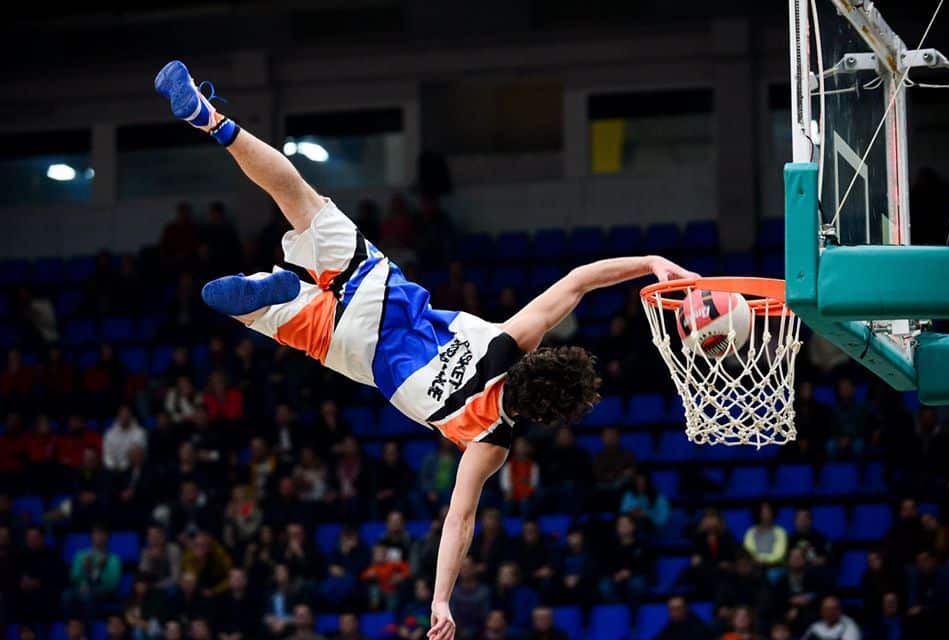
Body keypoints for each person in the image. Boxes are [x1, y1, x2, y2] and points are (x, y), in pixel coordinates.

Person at [154, 59, 697, 640]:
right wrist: (441, 600)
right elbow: (459, 521)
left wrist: (650, 264)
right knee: (232, 304)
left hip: (380, 287)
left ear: (542, 359)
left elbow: (581, 279)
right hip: (348, 345)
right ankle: (272, 297)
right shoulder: (490, 442)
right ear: (543, 415)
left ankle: (211, 121)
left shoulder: (511, 339)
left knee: (298, 194)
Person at [62, 525, 122, 618]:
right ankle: (71, 626)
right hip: (81, 589)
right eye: (95, 533)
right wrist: (86, 569)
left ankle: (88, 627)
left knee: (86, 596)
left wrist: (97, 570)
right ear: (91, 536)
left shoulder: (114, 559)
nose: (98, 536)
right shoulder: (81, 555)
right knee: (67, 595)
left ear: (107, 537)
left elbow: (111, 584)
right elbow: (73, 577)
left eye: (102, 534)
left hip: (103, 592)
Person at [743, 501, 788, 571]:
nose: (766, 513)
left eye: (768, 510)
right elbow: (748, 551)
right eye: (763, 511)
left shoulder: (780, 532)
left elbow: (779, 554)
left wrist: (763, 561)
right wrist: (756, 560)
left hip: (774, 567)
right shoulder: (750, 532)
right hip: (754, 566)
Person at [102, 406, 148, 472]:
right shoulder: (109, 434)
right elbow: (107, 455)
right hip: (113, 470)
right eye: (122, 415)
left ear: (131, 416)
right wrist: (112, 467)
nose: (124, 418)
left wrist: (123, 468)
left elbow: (137, 455)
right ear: (118, 416)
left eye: (127, 415)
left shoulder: (139, 433)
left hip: (131, 469)